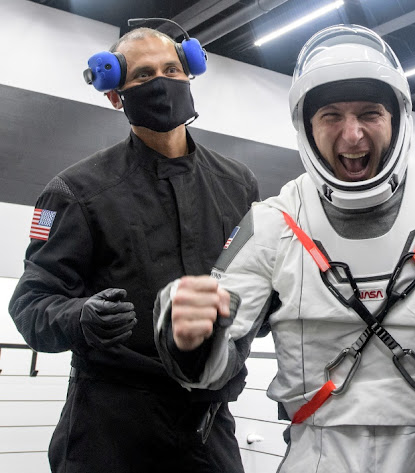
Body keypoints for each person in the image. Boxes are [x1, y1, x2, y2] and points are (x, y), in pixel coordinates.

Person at [152, 24, 415, 473]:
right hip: (319, 455)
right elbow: (207, 374)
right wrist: (188, 338)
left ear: (398, 119)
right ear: (306, 126)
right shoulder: (273, 223)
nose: (352, 135)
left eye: (370, 113)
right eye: (331, 116)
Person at [9, 26, 259, 473]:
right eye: (143, 76)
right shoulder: (76, 192)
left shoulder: (237, 185)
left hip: (208, 428)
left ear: (190, 74)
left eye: (171, 70)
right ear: (114, 94)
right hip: (111, 432)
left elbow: (258, 285)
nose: (161, 82)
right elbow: (31, 304)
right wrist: (80, 317)